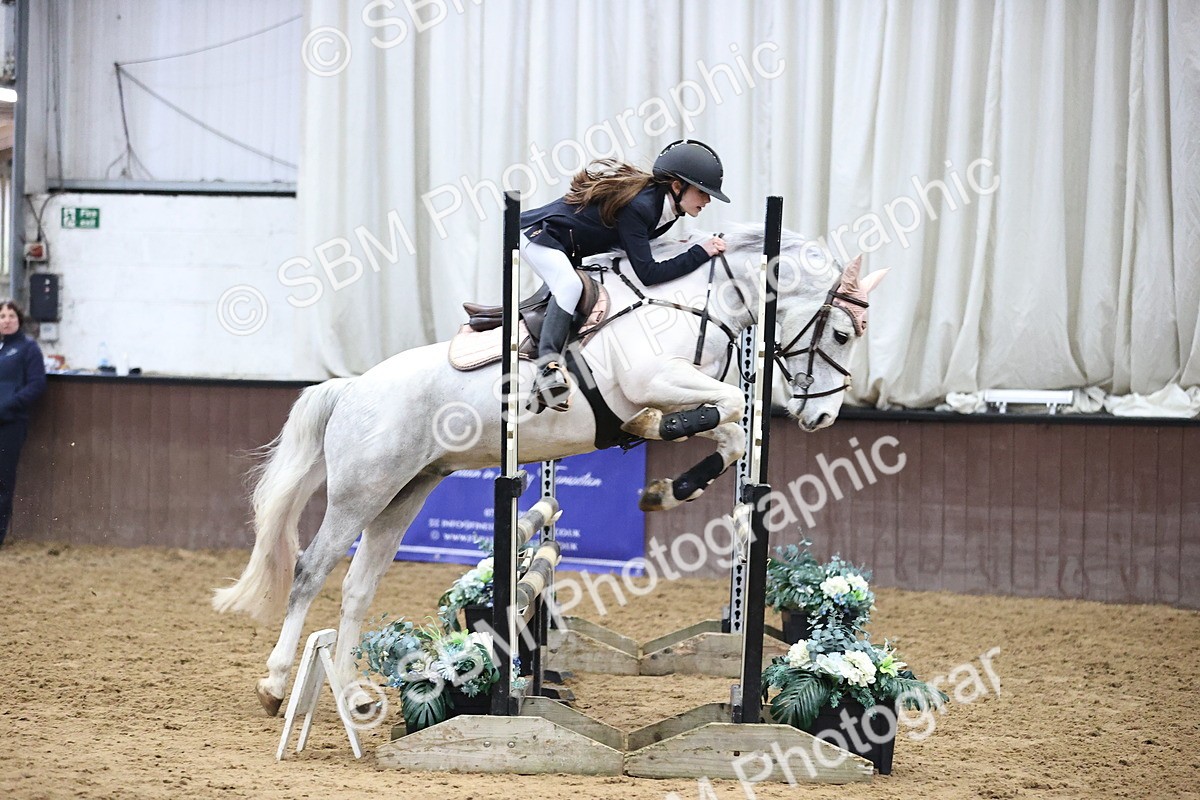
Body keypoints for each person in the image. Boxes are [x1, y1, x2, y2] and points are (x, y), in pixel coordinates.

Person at [519, 139, 730, 412]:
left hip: (567, 245)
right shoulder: (641, 207)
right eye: (702, 191)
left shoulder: (665, 209)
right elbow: (649, 273)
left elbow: (640, 253)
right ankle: (546, 370)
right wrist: (700, 253)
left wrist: (690, 248)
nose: (707, 200)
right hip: (538, 235)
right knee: (569, 286)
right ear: (677, 186)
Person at [0, 300, 46, 546]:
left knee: (2, 480)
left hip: (10, 422)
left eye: (10, 316)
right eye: (2, 316)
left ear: (18, 320)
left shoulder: (28, 349)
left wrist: (9, 405)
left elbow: (37, 384)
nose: (6, 320)